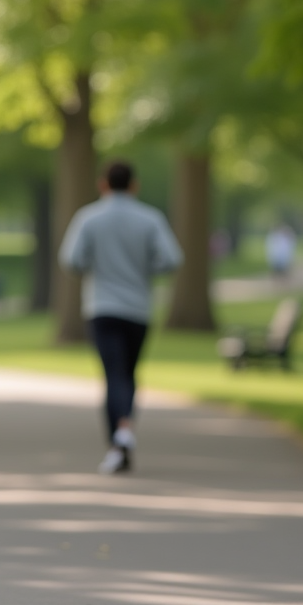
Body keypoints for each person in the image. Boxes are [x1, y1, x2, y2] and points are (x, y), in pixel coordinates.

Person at [59, 160, 183, 474]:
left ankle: (118, 439)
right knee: (128, 373)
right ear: (134, 185)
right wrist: (144, 270)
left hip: (101, 307)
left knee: (112, 374)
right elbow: (171, 259)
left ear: (103, 184)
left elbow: (71, 259)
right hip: (138, 309)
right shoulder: (150, 218)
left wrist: (95, 267)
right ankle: (124, 433)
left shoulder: (89, 218)